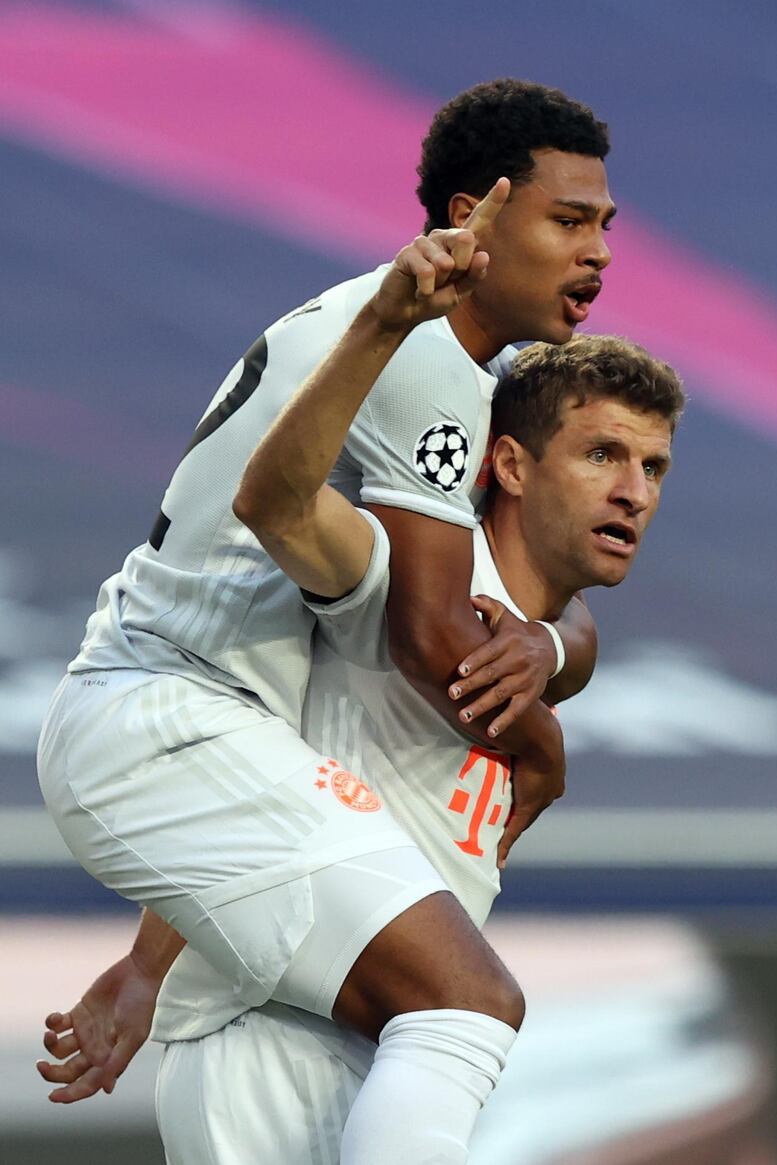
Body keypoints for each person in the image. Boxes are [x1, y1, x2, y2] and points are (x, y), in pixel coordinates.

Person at [37, 79, 615, 1162]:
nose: (597, 253)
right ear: (469, 218)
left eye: (604, 227)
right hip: (167, 718)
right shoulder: (425, 351)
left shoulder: (416, 342)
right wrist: (537, 736)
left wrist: (550, 648)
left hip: (193, 734)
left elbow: (504, 605)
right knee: (463, 997)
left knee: (433, 1012)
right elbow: (435, 641)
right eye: (566, 220)